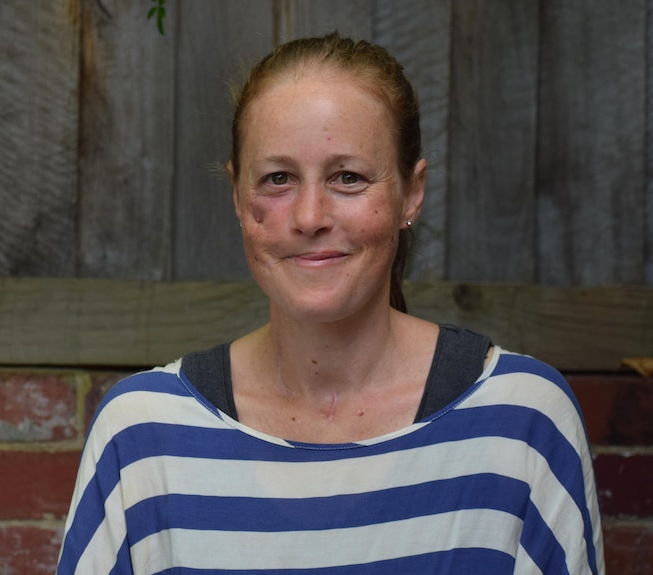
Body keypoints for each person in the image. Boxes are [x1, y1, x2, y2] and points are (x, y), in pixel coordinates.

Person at [57, 33, 604, 574]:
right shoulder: (143, 435)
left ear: (411, 193)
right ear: (237, 195)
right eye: (278, 178)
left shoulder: (522, 420)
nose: (310, 215)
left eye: (348, 177)